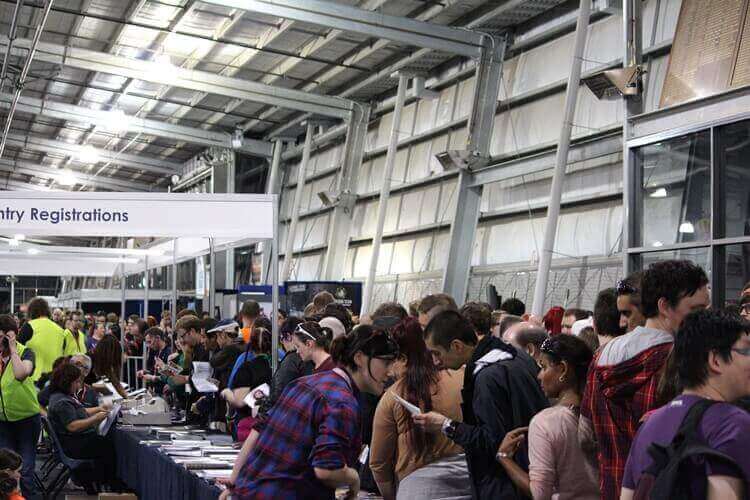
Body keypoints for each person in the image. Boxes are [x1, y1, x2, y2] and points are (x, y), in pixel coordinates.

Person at [580, 260, 710, 500]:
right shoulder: (682, 363)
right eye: (696, 309)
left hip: (613, 487)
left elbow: (585, 435)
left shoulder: (600, 356)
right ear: (664, 306)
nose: (705, 317)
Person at [223, 325, 399, 499]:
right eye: (386, 362)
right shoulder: (341, 401)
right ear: (359, 358)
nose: (391, 372)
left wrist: (233, 484)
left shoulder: (302, 383)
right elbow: (327, 469)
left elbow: (259, 430)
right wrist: (353, 478)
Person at [414, 310, 548, 499]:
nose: (436, 361)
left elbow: (493, 441)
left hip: (505, 484)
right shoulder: (516, 355)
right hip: (532, 470)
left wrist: (446, 425)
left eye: (437, 353)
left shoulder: (488, 378)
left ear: (457, 346)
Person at [622, 309, 750, 500]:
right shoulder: (732, 423)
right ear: (715, 360)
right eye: (746, 351)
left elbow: (626, 496)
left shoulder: (648, 425)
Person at [370, 317, 470, 500]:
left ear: (403, 358)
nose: (389, 371)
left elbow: (378, 463)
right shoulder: (464, 378)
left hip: (417, 488)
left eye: (391, 362)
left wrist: (392, 495)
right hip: (469, 481)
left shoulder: (392, 396)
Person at [496, 335, 598, 499]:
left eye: (543, 367)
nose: (539, 376)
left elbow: (540, 493)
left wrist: (504, 458)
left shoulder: (545, 423)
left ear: (563, 369)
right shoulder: (600, 413)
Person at [47, 363, 117, 491]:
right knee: (106, 444)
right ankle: (109, 483)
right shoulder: (62, 402)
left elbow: (80, 412)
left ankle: (103, 482)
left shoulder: (60, 397)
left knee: (103, 442)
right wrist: (95, 418)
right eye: (76, 382)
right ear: (67, 382)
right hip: (73, 445)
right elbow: (72, 426)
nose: (78, 385)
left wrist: (99, 408)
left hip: (72, 442)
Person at [0, 315, 40, 500]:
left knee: (25, 472)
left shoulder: (26, 352)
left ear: (10, 336)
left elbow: (21, 374)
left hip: (26, 421)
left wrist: (13, 349)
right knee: (5, 472)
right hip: (3, 422)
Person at [222, 328, 273, 440]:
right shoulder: (276, 368)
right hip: (270, 429)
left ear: (251, 346)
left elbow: (239, 401)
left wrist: (226, 393)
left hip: (248, 427)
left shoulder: (246, 368)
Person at [16, 297, 64, 385]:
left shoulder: (29, 326)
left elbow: (17, 350)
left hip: (33, 379)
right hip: (55, 379)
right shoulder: (60, 330)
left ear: (31, 311)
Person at [267, 317, 312, 405]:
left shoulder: (291, 360)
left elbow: (278, 395)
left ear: (288, 336)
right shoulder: (311, 356)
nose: (282, 342)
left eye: (281, 338)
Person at [88, 334, 127, 399]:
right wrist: (97, 387)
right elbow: (81, 384)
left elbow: (115, 381)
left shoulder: (104, 362)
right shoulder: (89, 360)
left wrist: (127, 397)